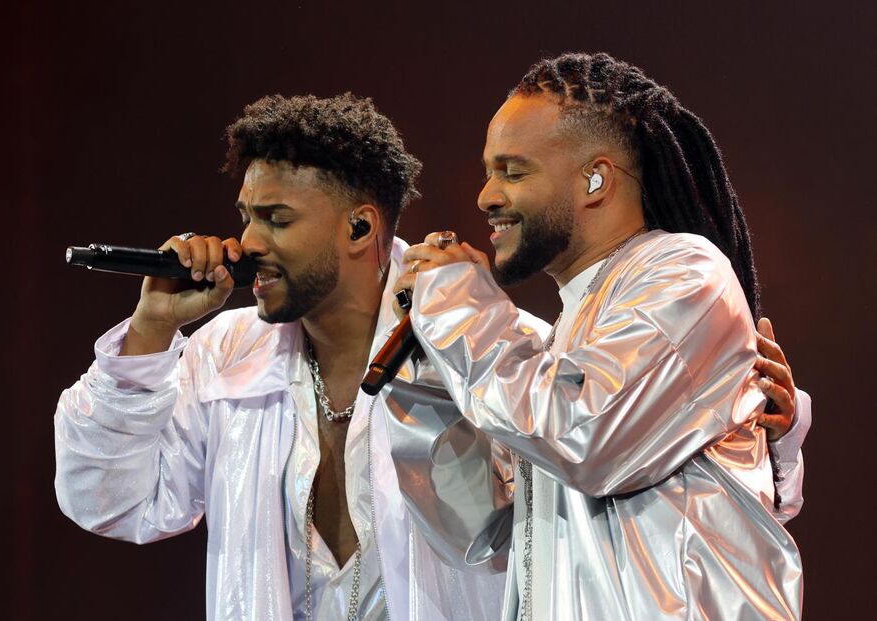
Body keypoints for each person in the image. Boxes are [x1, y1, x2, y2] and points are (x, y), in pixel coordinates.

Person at [54, 93, 508, 621]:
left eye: (277, 219)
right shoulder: (227, 350)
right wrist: (151, 328)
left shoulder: (478, 339)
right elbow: (108, 501)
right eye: (247, 217)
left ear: (359, 227)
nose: (247, 242)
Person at [387, 53, 805, 620]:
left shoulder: (687, 276)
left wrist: (462, 307)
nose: (486, 195)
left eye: (513, 171)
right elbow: (476, 528)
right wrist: (433, 373)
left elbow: (585, 434)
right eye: (490, 171)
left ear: (595, 178)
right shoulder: (563, 339)